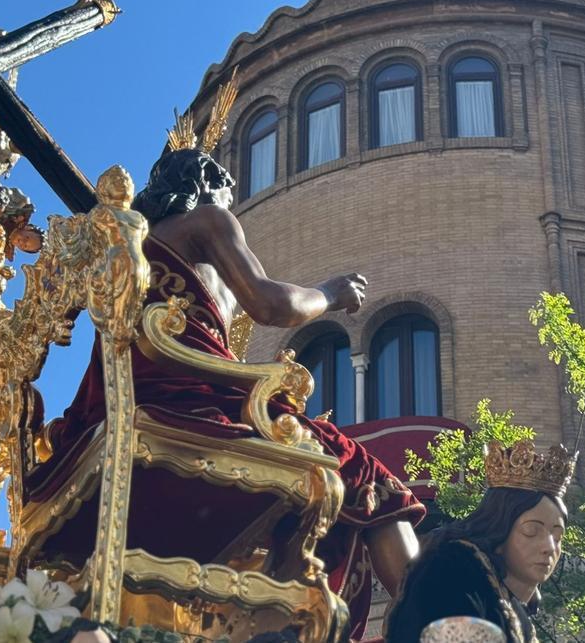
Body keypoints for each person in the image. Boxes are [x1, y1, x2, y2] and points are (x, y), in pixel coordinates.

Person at [24, 148, 425, 641]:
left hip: (110, 411)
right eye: (227, 196)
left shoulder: (129, 247)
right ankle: (437, 622)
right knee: (369, 477)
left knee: (302, 505)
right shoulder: (207, 221)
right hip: (191, 403)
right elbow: (271, 305)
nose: (230, 209)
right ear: (206, 186)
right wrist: (331, 293)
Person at [384, 440, 575, 643]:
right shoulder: (452, 573)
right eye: (531, 531)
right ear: (498, 527)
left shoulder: (514, 609)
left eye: (557, 537)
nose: (549, 547)